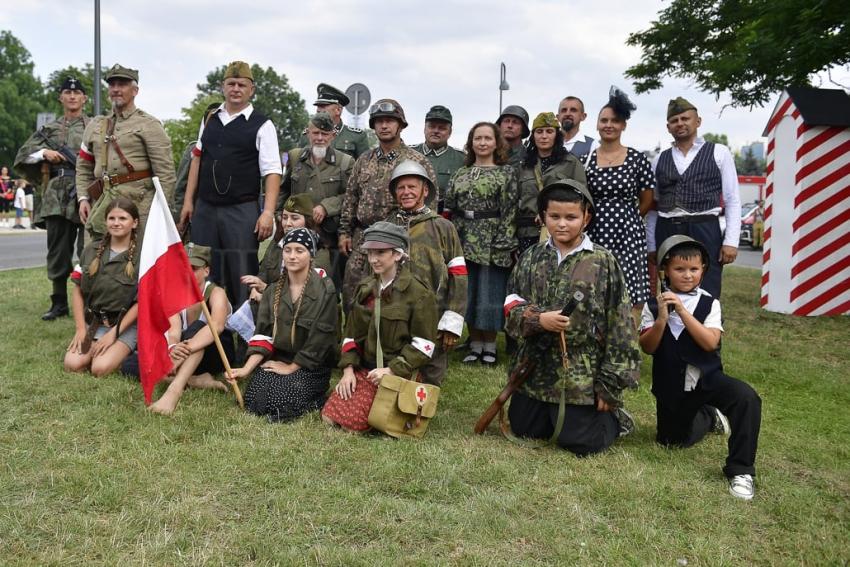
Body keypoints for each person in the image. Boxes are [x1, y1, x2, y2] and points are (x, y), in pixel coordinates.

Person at [504, 179, 640, 455]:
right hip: (536, 368)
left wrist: (610, 383)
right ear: (542, 217)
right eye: (554, 217)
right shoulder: (530, 257)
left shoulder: (602, 261)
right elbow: (511, 306)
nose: (562, 224)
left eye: (571, 217)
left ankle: (615, 419)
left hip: (581, 371)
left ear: (586, 217)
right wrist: (539, 320)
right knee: (524, 428)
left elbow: (621, 323)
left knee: (579, 443)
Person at [639, 235, 762, 500]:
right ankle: (708, 418)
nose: (687, 275)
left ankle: (741, 470)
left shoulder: (710, 303)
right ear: (665, 271)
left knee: (746, 398)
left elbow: (709, 342)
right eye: (679, 269)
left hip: (707, 379)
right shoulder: (652, 305)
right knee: (671, 442)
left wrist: (683, 312)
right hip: (671, 385)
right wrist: (662, 318)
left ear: (703, 270)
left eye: (694, 269)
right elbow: (648, 347)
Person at [179, 61, 282, 306]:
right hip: (206, 208)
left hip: (241, 209)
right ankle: (207, 333)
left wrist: (267, 212)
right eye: (231, 84)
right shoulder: (211, 117)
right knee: (204, 268)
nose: (236, 89)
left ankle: (244, 334)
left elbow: (272, 172)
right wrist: (188, 202)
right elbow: (196, 160)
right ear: (223, 87)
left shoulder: (262, 124)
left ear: (252, 89)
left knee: (241, 272)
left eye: (241, 85)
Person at [321, 222, 439, 432]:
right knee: (329, 416)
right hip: (365, 370)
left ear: (397, 254)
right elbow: (351, 335)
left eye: (381, 252)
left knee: (354, 423)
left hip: (398, 371)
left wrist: (392, 369)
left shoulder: (418, 293)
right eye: (370, 253)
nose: (373, 259)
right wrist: (348, 370)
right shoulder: (365, 288)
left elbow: (424, 345)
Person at [228, 228, 338, 422]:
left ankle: (317, 398)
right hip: (281, 359)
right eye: (288, 250)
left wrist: (292, 367)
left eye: (299, 250)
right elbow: (263, 334)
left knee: (282, 403)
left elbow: (321, 339)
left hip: (312, 365)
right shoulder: (273, 291)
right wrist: (245, 369)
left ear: (311, 255)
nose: (292, 256)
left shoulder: (324, 290)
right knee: (255, 400)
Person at [337, 99, 437, 311]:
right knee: (353, 294)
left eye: (390, 121)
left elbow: (429, 205)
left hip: (397, 241)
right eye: (379, 121)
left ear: (400, 125)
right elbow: (351, 198)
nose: (384, 126)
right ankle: (355, 342)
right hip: (362, 238)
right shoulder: (364, 160)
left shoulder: (415, 161)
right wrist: (344, 232)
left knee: (393, 298)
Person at [645, 97, 741, 298]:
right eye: (674, 120)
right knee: (669, 285)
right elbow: (654, 205)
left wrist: (731, 241)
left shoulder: (719, 152)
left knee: (708, 284)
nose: (680, 123)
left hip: (705, 226)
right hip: (668, 227)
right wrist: (652, 245)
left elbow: (732, 200)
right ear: (668, 127)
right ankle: (671, 327)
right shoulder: (658, 159)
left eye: (685, 118)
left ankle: (708, 328)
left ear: (698, 121)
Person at [14, 77, 90, 319]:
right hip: (57, 194)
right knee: (58, 250)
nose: (72, 96)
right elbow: (23, 155)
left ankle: (89, 301)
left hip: (88, 190)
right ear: (61, 97)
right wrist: (43, 152)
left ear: (84, 98)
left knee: (88, 249)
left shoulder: (96, 126)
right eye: (67, 92)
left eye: (77, 92)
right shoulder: (48, 130)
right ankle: (59, 302)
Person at [387, 160, 467, 385]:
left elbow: (458, 274)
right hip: (395, 311)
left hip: (433, 311)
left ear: (425, 190)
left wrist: (452, 321)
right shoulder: (386, 226)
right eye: (400, 188)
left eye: (412, 187)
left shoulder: (443, 227)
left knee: (429, 375)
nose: (406, 192)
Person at [445, 122, 518, 365]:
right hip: (464, 238)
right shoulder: (460, 173)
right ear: (471, 142)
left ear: (496, 142)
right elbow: (450, 207)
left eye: (488, 138)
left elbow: (509, 211)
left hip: (492, 240)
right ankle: (474, 345)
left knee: (490, 294)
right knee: (469, 291)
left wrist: (504, 241)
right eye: (478, 138)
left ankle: (490, 347)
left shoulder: (505, 173)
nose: (483, 142)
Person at [76, 64, 176, 240]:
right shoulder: (95, 125)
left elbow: (166, 174)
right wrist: (83, 198)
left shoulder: (149, 125)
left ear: (135, 90)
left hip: (140, 205)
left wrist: (161, 214)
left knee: (135, 260)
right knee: (94, 258)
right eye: (112, 85)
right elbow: (83, 166)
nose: (116, 89)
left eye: (122, 84)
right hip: (101, 204)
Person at [584, 89, 655, 314]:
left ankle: (626, 335)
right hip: (594, 229)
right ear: (596, 125)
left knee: (629, 285)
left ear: (623, 125)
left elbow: (647, 200)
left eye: (615, 121)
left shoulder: (637, 159)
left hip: (627, 232)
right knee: (595, 283)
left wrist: (628, 219)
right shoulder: (587, 159)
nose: (609, 125)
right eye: (604, 120)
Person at [149, 243, 234, 415]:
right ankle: (195, 380)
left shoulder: (216, 292)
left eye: (194, 268)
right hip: (186, 354)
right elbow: (174, 331)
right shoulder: (173, 293)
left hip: (217, 351)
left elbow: (216, 326)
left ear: (206, 271)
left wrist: (184, 350)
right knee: (138, 365)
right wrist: (173, 349)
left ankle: (174, 391)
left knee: (198, 327)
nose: (187, 273)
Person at [64, 197, 140, 377]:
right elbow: (77, 291)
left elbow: (141, 303)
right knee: (73, 364)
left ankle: (132, 349)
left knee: (100, 368)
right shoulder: (91, 250)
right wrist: (81, 329)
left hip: (124, 326)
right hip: (95, 322)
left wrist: (113, 335)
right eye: (112, 218)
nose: (116, 223)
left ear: (134, 223)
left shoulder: (142, 256)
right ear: (105, 222)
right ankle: (99, 346)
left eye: (123, 218)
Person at [280, 111, 354, 287]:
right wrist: (279, 217)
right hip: (294, 236)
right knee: (288, 282)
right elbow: (283, 190)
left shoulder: (345, 163)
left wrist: (326, 207)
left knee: (324, 287)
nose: (320, 138)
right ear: (308, 133)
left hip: (326, 239)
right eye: (316, 133)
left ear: (333, 135)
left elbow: (351, 196)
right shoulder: (296, 157)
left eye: (325, 134)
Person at [517, 112, 586, 252]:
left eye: (549, 131)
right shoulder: (524, 165)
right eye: (539, 131)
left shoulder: (571, 163)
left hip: (560, 232)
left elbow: (582, 198)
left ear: (557, 135)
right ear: (533, 136)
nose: (543, 136)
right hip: (527, 234)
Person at [244, 193, 331, 304]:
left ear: (308, 221)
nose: (288, 224)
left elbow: (306, 295)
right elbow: (263, 274)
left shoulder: (320, 252)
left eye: (294, 218)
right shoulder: (277, 245)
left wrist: (265, 290)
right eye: (285, 218)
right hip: (271, 306)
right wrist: (254, 289)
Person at [410, 105, 466, 210]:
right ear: (424, 129)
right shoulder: (409, 154)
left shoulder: (461, 159)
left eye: (442, 128)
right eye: (432, 126)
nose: (436, 131)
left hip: (445, 218)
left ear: (450, 132)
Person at [296, 83, 370, 159]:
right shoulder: (307, 135)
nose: (318, 110)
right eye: (318, 106)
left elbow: (364, 167)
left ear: (338, 110)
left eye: (323, 106)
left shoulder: (356, 136)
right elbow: (298, 165)